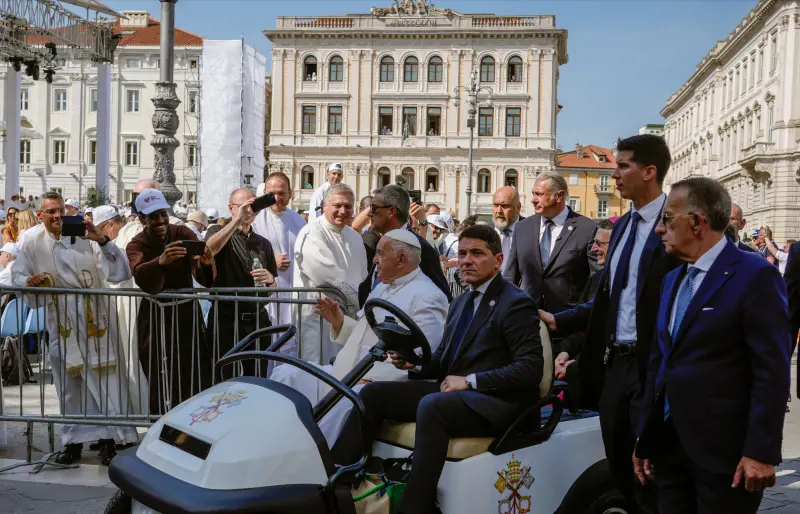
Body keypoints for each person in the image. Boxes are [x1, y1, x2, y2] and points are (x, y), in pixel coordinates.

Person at [332, 225, 544, 514]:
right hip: (461, 394)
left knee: (434, 406)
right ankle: (337, 483)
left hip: (500, 401)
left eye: (477, 254)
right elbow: (443, 359)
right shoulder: (460, 303)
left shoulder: (516, 303)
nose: (467, 260)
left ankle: (415, 507)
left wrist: (470, 381)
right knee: (373, 394)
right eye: (463, 253)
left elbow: (530, 369)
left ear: (498, 260)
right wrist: (414, 362)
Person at [539, 134, 679, 512]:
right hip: (615, 366)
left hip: (652, 368)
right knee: (619, 468)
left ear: (649, 172)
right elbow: (608, 300)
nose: (614, 174)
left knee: (651, 470)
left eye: (623, 166)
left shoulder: (673, 225)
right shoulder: (623, 228)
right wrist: (558, 321)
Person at [634, 177, 790, 514]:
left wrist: (761, 452)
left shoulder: (754, 276)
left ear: (696, 221)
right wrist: (645, 436)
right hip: (670, 448)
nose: (660, 229)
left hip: (726, 457)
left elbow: (771, 370)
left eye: (667, 219)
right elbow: (659, 361)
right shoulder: (673, 279)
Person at [273, 229, 448, 445]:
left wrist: (376, 378)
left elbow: (419, 357)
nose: (375, 260)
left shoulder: (429, 295)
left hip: (374, 382)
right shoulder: (383, 286)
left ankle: (320, 461)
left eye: (381, 253)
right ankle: (277, 444)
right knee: (285, 375)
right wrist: (339, 322)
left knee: (346, 400)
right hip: (346, 372)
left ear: (401, 259)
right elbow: (368, 336)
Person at [10, 192, 138, 465]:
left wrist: (102, 241)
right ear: (40, 215)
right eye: (51, 212)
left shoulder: (84, 235)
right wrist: (29, 281)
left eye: (60, 211)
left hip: (95, 319)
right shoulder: (33, 240)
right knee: (70, 383)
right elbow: (17, 274)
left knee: (105, 378)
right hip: (62, 320)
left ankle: (108, 439)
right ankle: (73, 441)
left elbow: (119, 271)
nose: (57, 217)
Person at [126, 189, 216, 416]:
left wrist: (205, 262)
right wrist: (160, 262)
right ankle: (160, 425)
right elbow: (139, 274)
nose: (160, 221)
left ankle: (194, 421)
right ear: (142, 219)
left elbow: (202, 275)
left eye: (163, 214)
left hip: (186, 312)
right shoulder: (136, 244)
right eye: (153, 216)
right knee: (158, 372)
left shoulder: (183, 232)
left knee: (193, 367)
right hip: (155, 316)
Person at [503, 170, 597, 318]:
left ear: (559, 196)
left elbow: (596, 280)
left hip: (568, 325)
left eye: (539, 194)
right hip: (527, 321)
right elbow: (510, 276)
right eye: (533, 194)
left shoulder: (587, 229)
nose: (533, 200)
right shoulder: (522, 227)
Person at [205, 188, 277, 376]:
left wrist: (270, 281)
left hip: (257, 320)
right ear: (231, 208)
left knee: (257, 378)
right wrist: (236, 220)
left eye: (253, 206)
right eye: (245, 206)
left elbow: (272, 288)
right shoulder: (217, 232)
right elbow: (208, 251)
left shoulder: (263, 243)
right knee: (223, 379)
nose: (249, 212)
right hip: (226, 319)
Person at [293, 183, 368, 364]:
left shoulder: (355, 236)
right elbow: (329, 277)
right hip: (317, 318)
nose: (343, 211)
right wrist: (362, 304)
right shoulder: (311, 233)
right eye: (337, 205)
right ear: (325, 206)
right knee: (317, 373)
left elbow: (363, 276)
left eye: (348, 206)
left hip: (349, 319)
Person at [357, 185, 450, 307]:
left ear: (391, 211)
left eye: (374, 208)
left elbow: (442, 297)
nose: (369, 213)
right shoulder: (383, 240)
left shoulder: (419, 248)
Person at [252, 172, 307, 357]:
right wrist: (270, 262)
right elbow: (247, 253)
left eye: (282, 193)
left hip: (292, 291)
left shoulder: (299, 221)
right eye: (272, 193)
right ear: (264, 193)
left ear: (290, 194)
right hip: (268, 293)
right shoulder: (256, 220)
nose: (277, 198)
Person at [555, 218, 614, 384]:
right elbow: (581, 328)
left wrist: (576, 365)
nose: (594, 249)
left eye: (599, 243)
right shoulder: (596, 280)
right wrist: (565, 352)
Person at [492, 186, 523, 274]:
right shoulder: (482, 233)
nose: (499, 211)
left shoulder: (532, 230)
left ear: (518, 208)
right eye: (496, 205)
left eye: (505, 206)